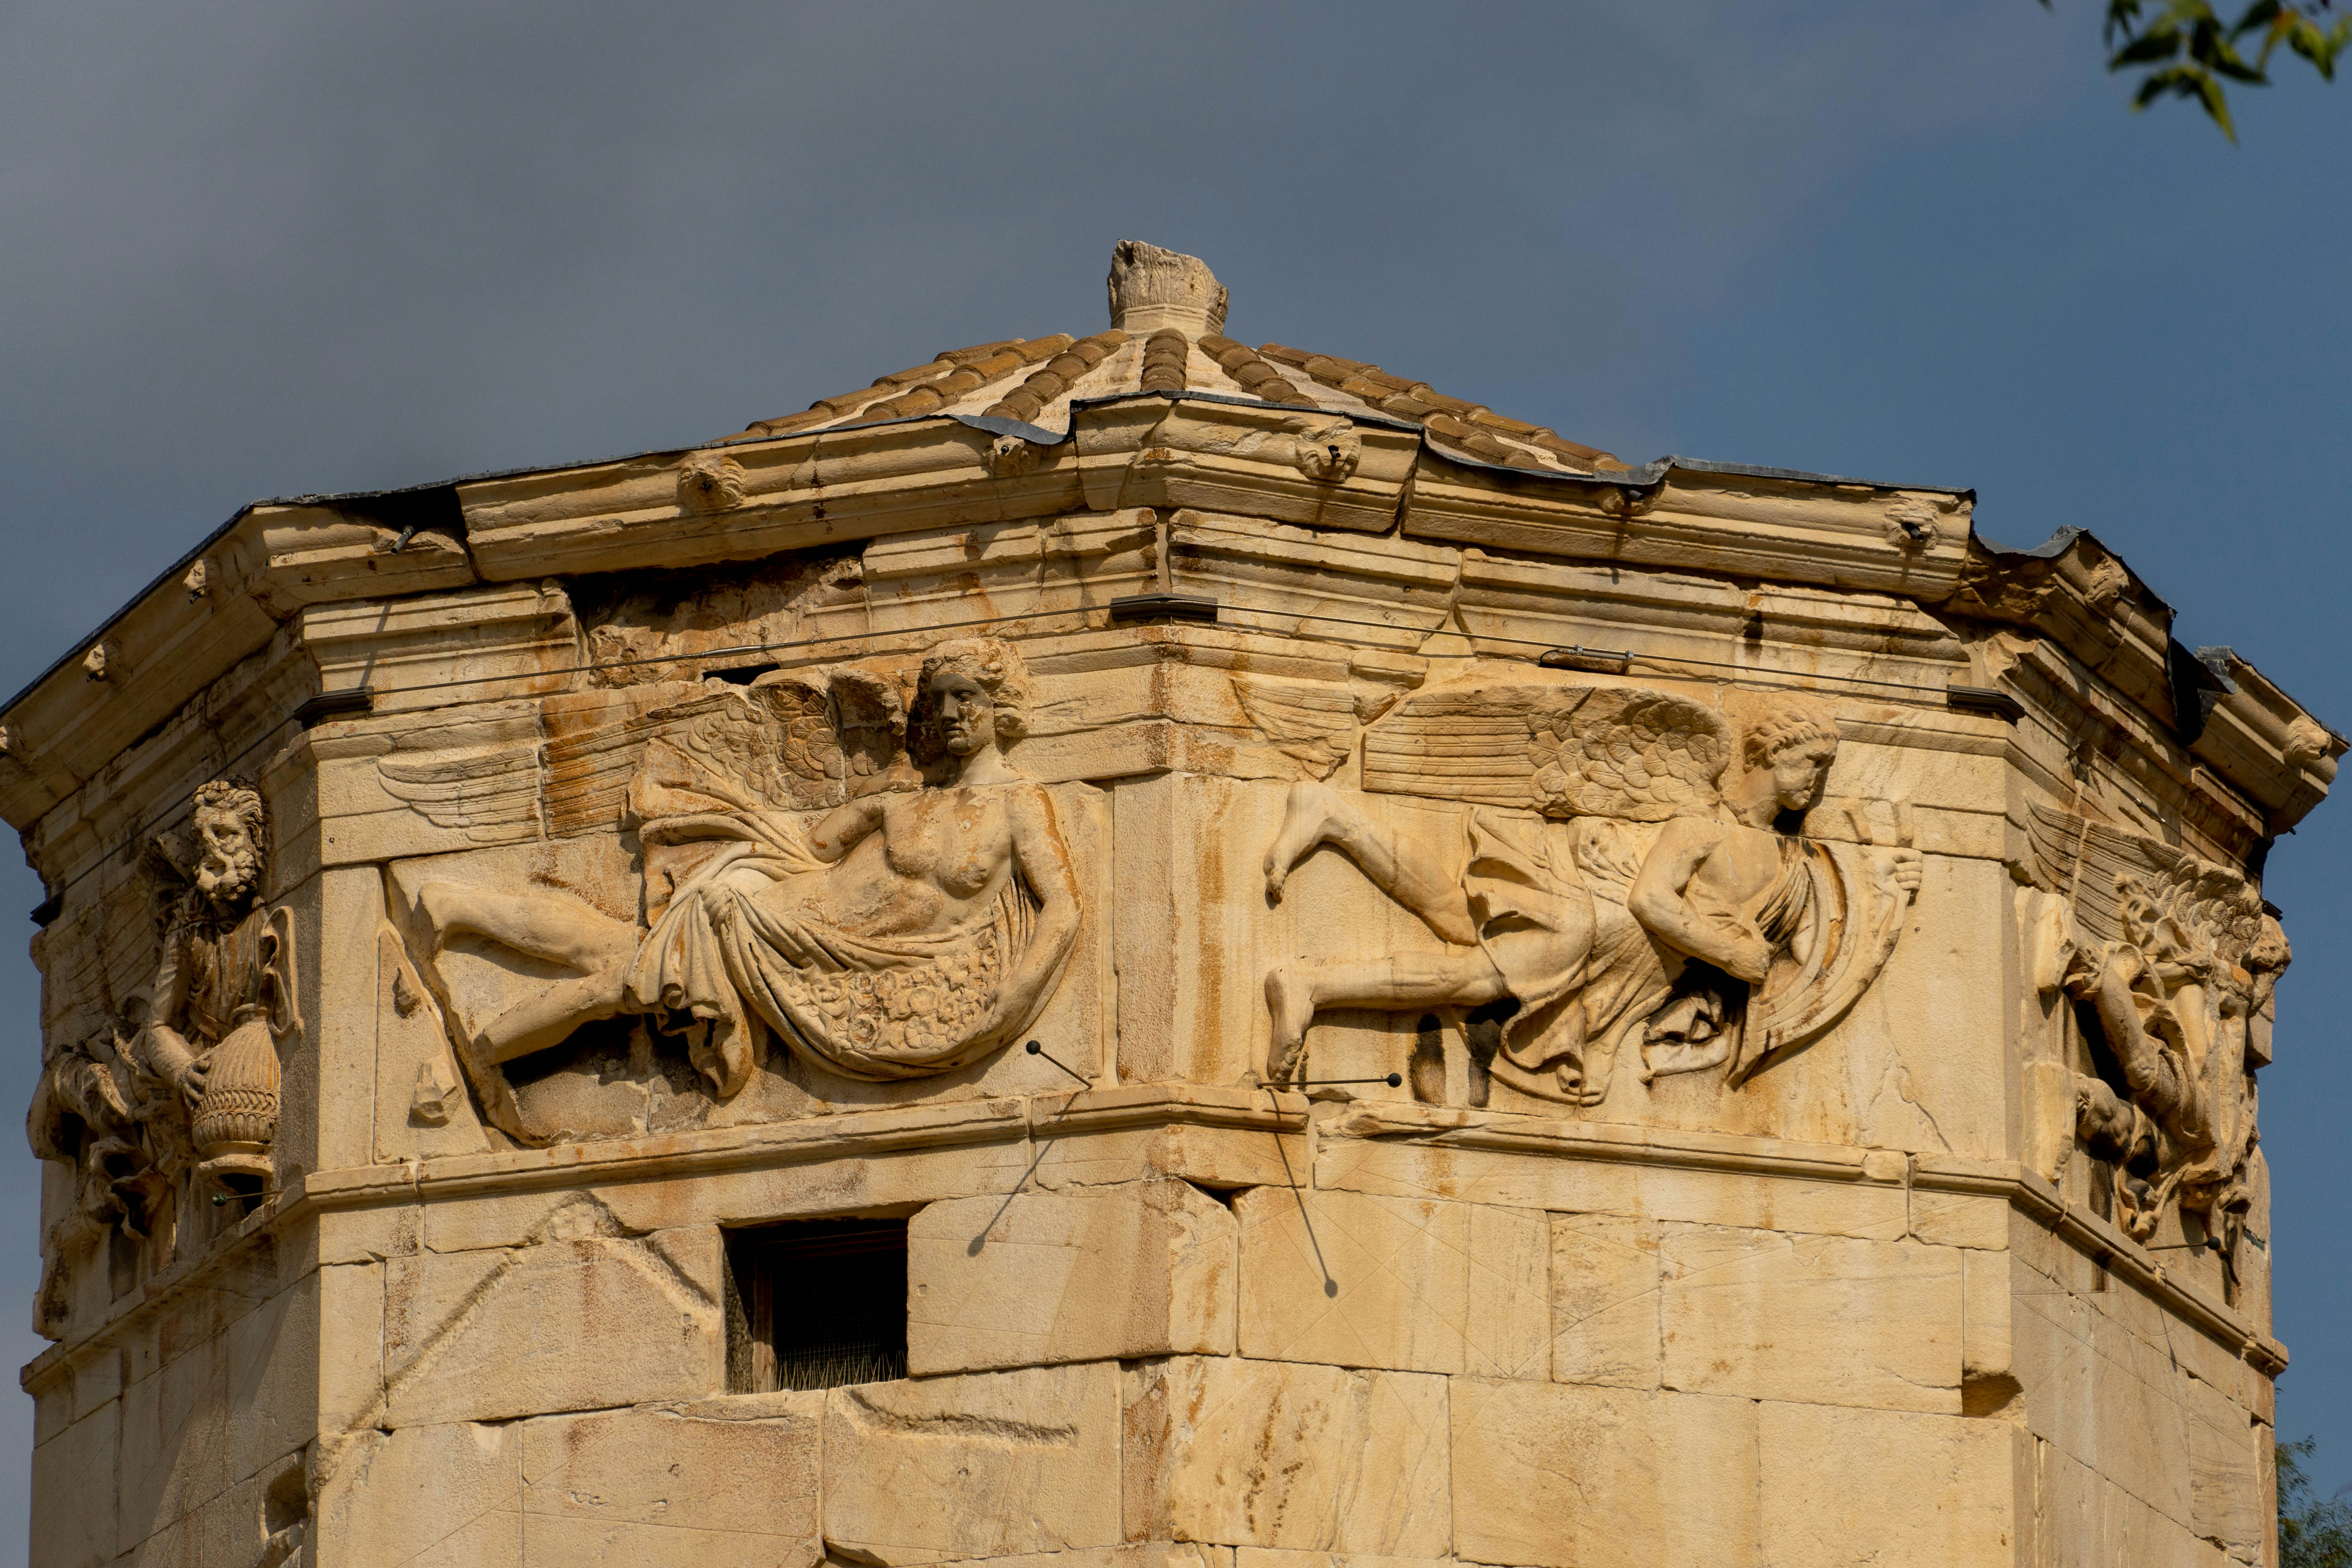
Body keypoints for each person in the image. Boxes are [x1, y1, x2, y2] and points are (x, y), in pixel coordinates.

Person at [417, 638, 1082, 1133]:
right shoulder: (901, 803)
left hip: (836, 958)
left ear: (1000, 707)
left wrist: (1020, 985)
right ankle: (476, 1050)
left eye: (967, 697)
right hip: (779, 921)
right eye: (939, 700)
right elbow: (804, 849)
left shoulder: (1019, 803)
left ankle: (461, 930)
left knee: (619, 966)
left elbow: (1062, 903)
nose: (951, 712)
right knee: (622, 976)